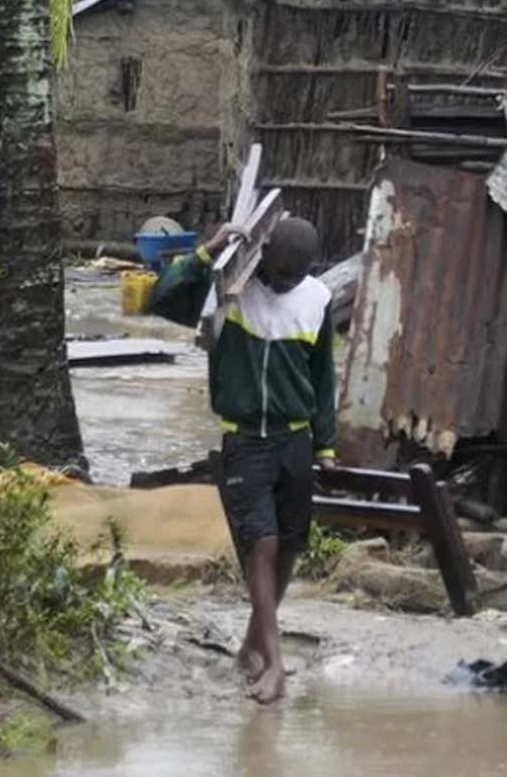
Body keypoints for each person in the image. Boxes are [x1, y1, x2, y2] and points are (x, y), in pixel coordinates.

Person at [149, 215, 337, 704]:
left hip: (295, 440)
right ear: (263, 255)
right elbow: (162, 299)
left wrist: (326, 445)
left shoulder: (317, 299)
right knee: (262, 544)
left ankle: (252, 645)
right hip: (245, 441)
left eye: (293, 276)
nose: (282, 283)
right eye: (277, 273)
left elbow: (323, 378)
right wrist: (208, 252)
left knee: (291, 546)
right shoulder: (229, 291)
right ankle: (274, 664)